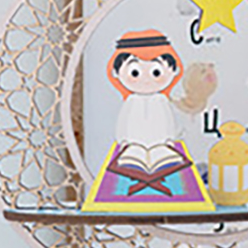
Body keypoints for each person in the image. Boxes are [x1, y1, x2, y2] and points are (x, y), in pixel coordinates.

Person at [83, 29, 213, 211]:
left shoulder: (162, 101)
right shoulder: (131, 101)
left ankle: (158, 154)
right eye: (135, 72)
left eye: (156, 72)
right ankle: (137, 155)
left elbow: (168, 122)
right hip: (133, 146)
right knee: (132, 158)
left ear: (173, 71)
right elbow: (123, 124)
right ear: (116, 73)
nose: (145, 80)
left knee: (166, 158)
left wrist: (169, 140)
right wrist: (124, 141)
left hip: (161, 145)